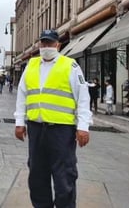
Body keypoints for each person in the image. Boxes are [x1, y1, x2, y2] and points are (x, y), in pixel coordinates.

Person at [14, 29, 92, 207]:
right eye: (43, 43)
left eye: (50, 43)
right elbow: (22, 95)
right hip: (36, 129)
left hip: (61, 131)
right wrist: (19, 122)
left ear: (58, 45)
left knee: (64, 177)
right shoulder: (31, 65)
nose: (46, 46)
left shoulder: (70, 65)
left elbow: (83, 97)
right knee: (37, 176)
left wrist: (83, 127)